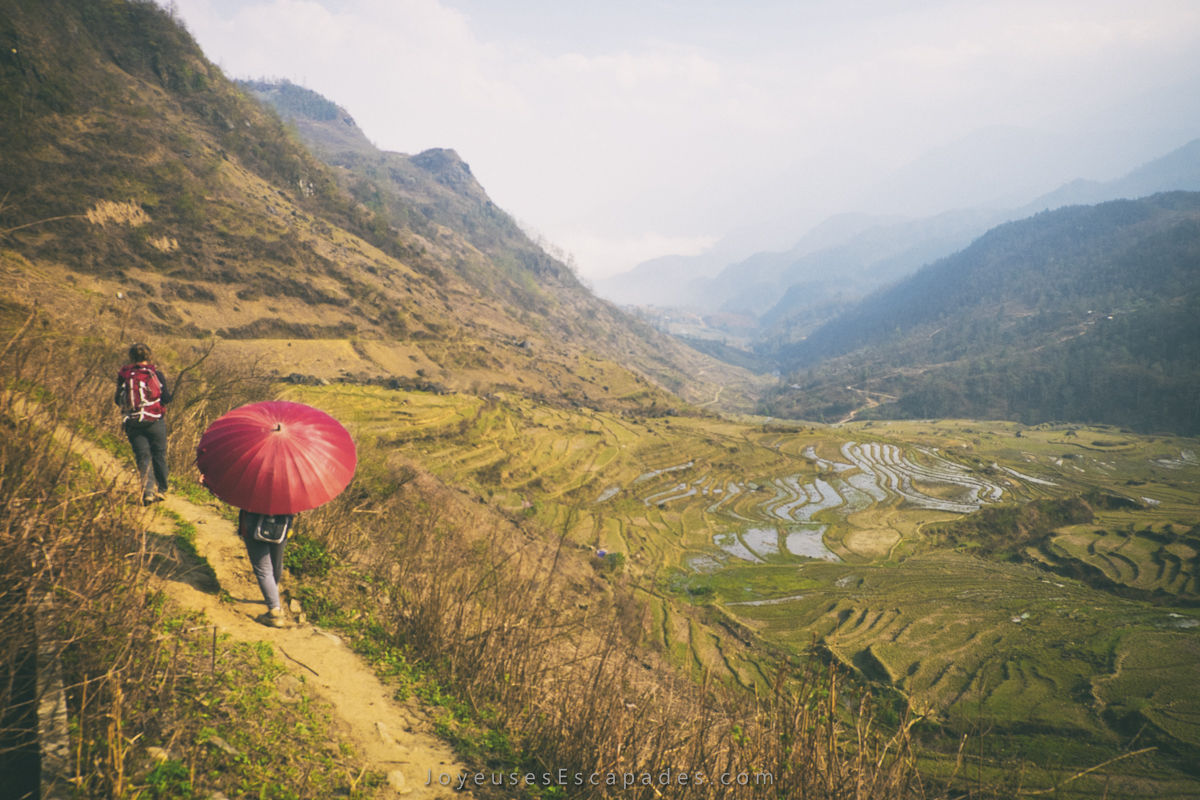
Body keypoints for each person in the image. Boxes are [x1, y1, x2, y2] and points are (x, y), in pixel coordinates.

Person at [115, 343, 172, 505]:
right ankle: (161, 490)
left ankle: (147, 492)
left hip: (133, 423)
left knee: (143, 457)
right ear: (149, 356)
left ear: (131, 357)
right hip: (154, 421)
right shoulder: (156, 375)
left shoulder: (125, 375)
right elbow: (166, 399)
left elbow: (118, 400)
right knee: (159, 454)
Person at [237, 509, 294, 628]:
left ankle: (275, 612)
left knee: (264, 570)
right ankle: (273, 594)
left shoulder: (254, 490)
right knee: (276, 564)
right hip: (282, 525)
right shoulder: (290, 490)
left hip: (253, 526)